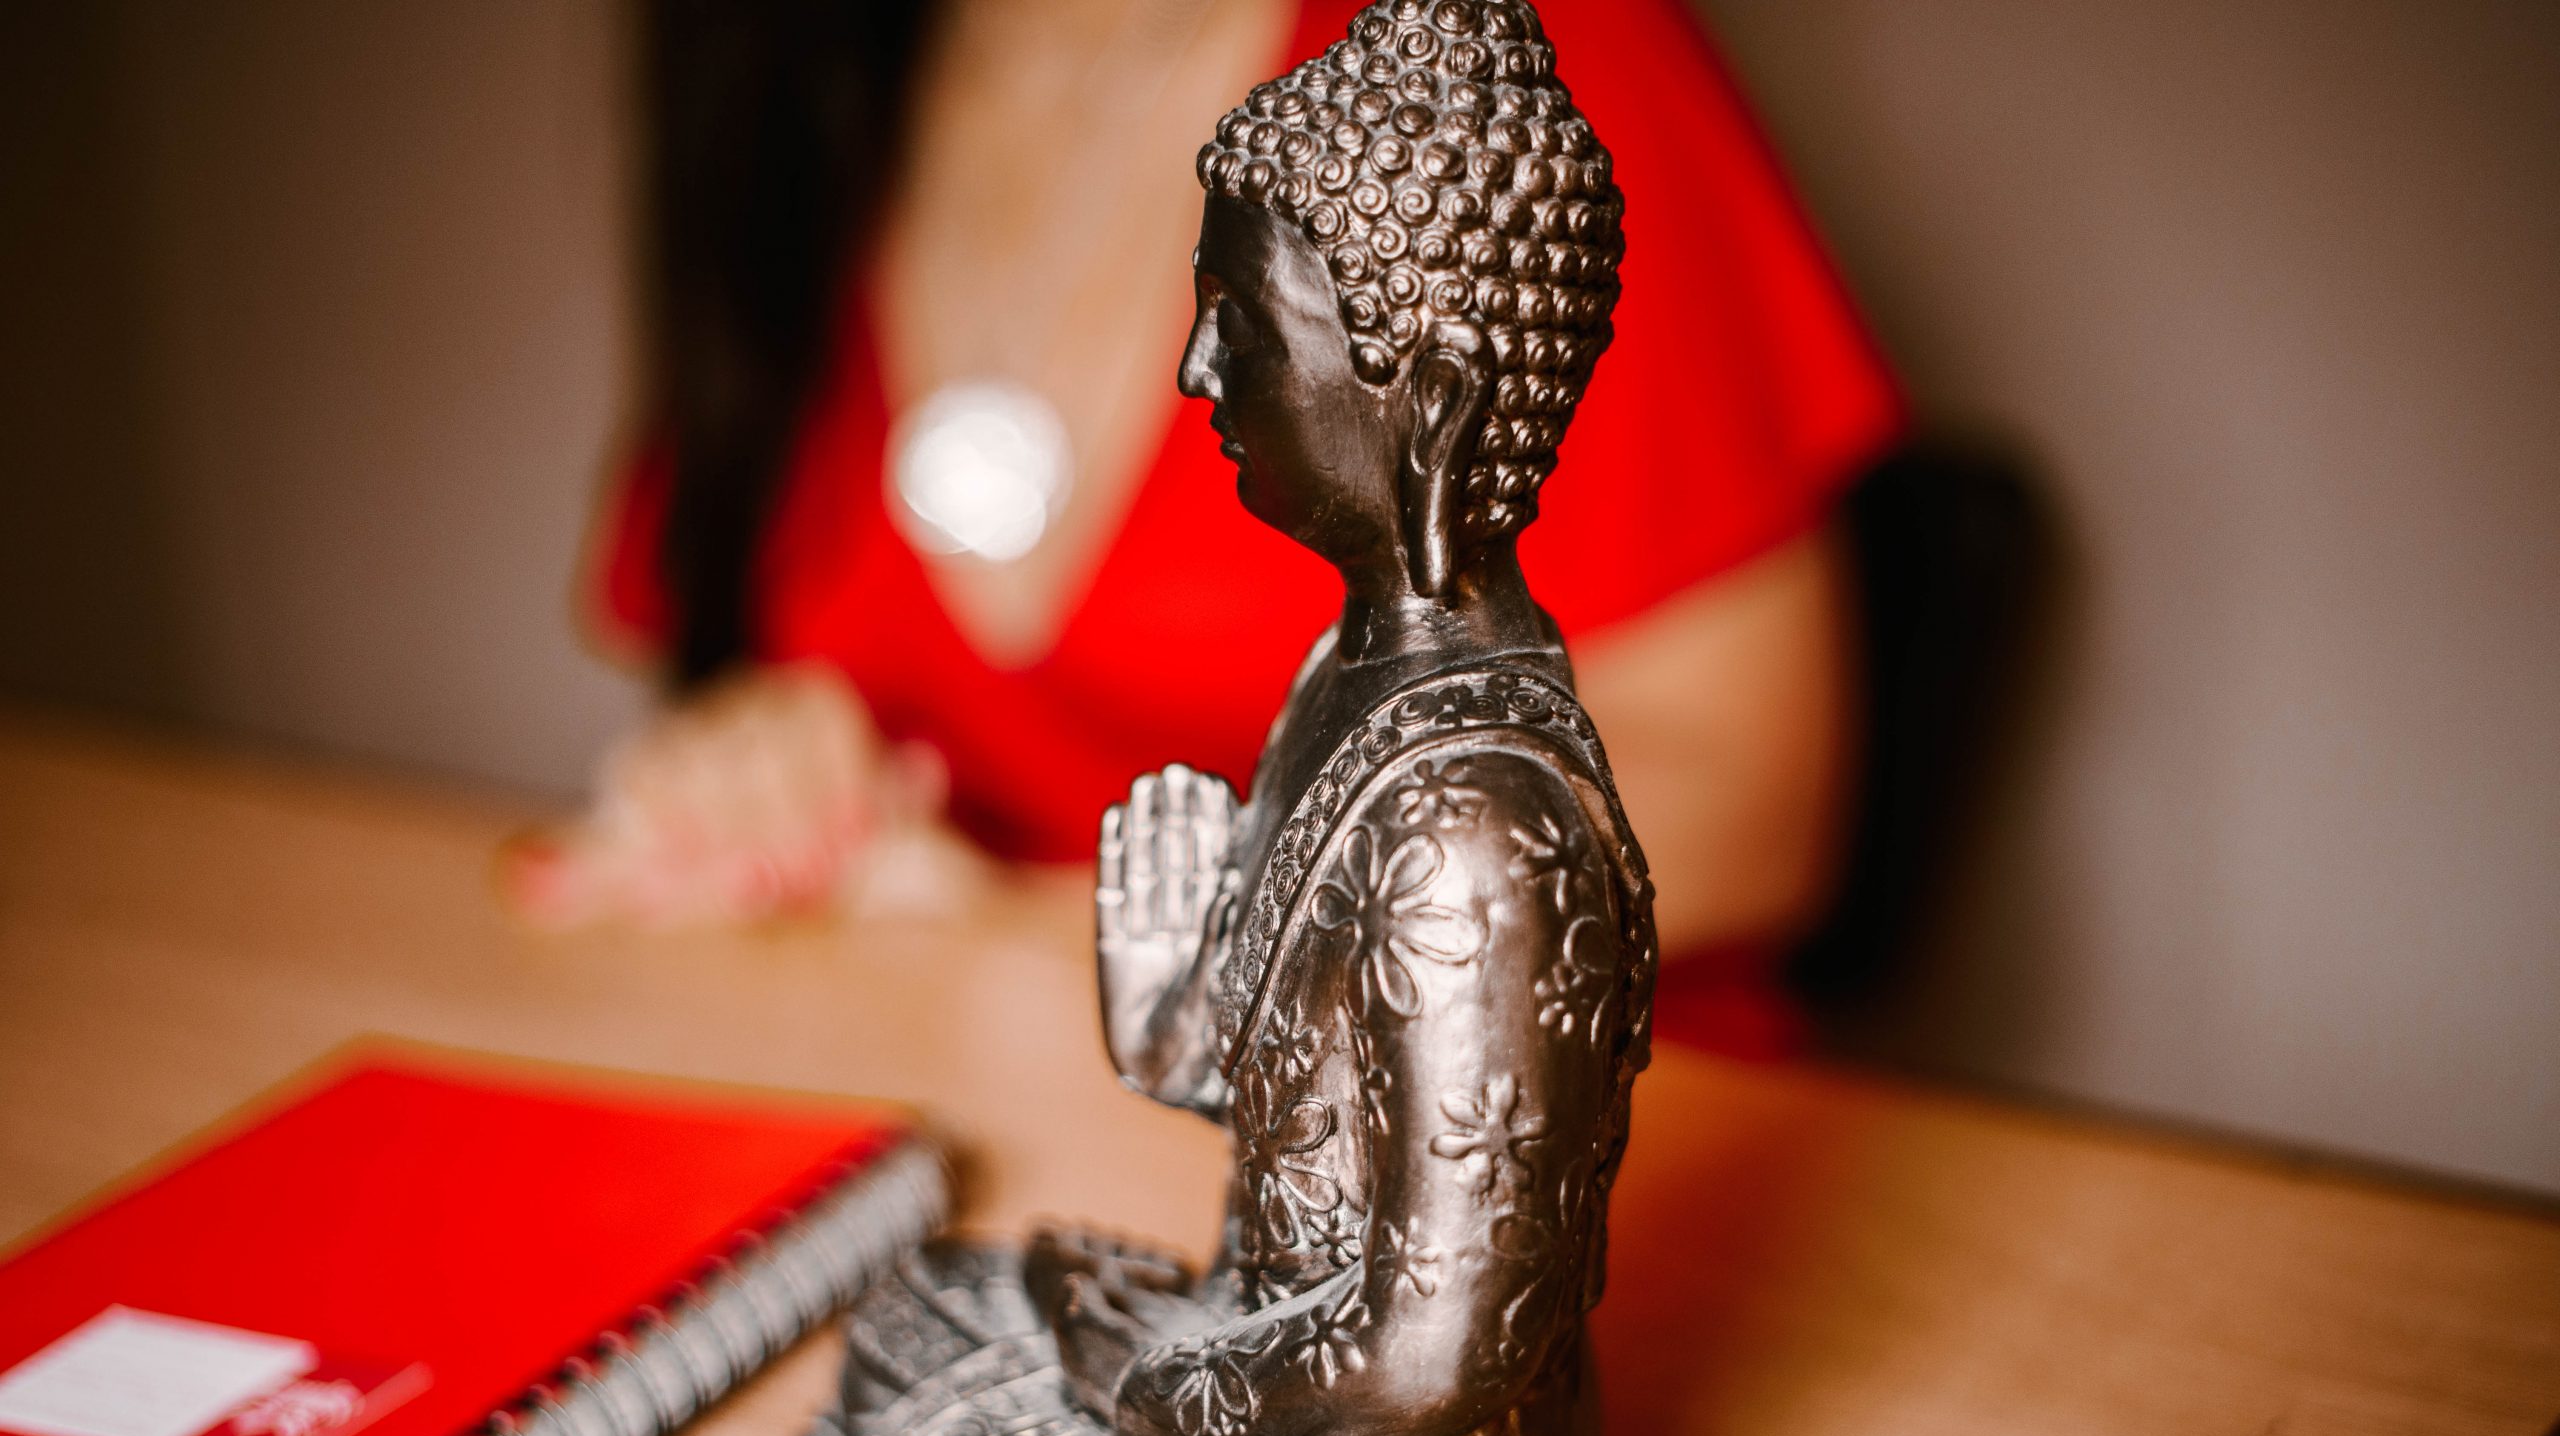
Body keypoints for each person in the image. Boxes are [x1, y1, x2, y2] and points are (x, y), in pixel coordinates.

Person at [509, 0, 1898, 1054]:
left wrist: (1069, 937)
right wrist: (758, 780)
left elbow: (1752, 797)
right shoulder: (778, 118)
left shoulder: (1512, 57)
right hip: (953, 1094)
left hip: (1485, 1129)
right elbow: (756, 664)